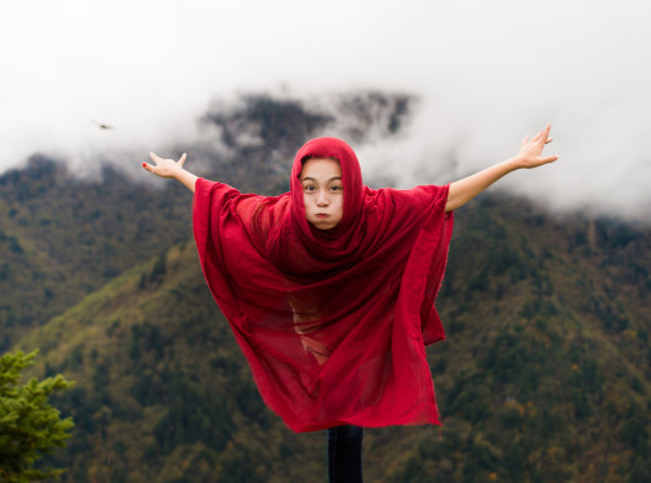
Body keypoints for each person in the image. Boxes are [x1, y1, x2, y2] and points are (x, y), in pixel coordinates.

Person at [143, 125, 557, 482]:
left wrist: (514, 163)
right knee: (340, 411)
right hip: (312, 327)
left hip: (363, 322)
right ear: (297, 188)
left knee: (348, 413)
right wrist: (180, 174)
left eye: (335, 188)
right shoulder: (278, 219)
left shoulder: (377, 213)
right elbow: (224, 201)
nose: (321, 200)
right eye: (310, 188)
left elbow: (444, 198)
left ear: (352, 188)